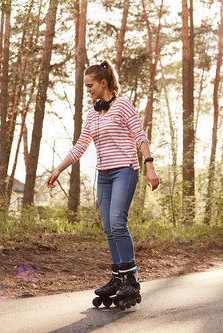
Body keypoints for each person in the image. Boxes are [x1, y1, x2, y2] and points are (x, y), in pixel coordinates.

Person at [45, 59, 159, 305]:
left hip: (125, 171)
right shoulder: (92, 114)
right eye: (86, 86)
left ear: (104, 83)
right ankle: (118, 277)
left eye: (90, 85)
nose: (87, 90)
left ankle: (131, 279)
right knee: (108, 227)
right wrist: (57, 170)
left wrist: (150, 167)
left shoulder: (123, 105)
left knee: (118, 221)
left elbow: (140, 136)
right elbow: (79, 147)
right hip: (104, 175)